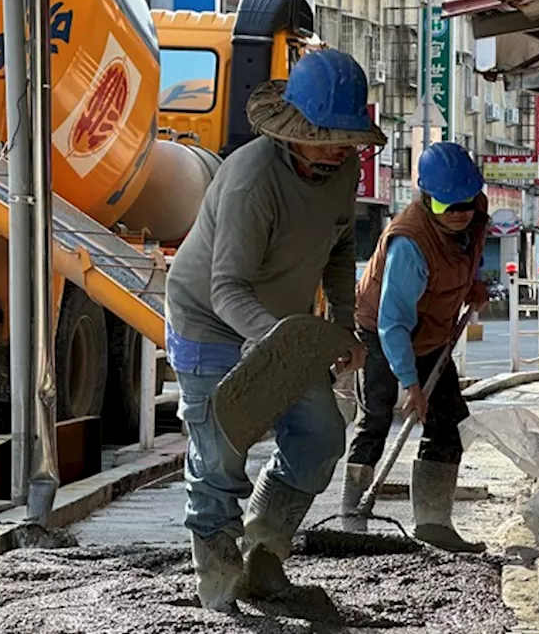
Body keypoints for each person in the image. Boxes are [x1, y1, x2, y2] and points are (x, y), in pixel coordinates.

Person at [164, 49, 385, 612]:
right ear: (297, 129)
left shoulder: (344, 168)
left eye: (349, 136)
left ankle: (264, 555)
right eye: (330, 135)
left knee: (319, 438)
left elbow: (338, 245)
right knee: (219, 454)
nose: (342, 147)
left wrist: (340, 324)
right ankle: (217, 579)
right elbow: (226, 290)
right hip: (210, 322)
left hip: (282, 325)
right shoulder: (251, 181)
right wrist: (283, 344)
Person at [343, 141, 490, 554]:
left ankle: (433, 523)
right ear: (428, 200)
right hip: (381, 329)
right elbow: (393, 323)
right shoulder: (410, 244)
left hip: (432, 332)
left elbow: (469, 257)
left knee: (448, 422)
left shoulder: (474, 217)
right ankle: (351, 519)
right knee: (376, 416)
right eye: (449, 208)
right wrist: (410, 383)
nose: (461, 214)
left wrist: (476, 286)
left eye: (466, 204)